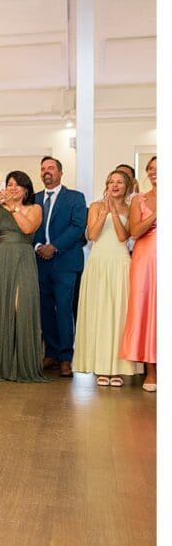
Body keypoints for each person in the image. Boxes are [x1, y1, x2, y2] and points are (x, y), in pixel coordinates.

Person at [72, 170, 139, 386]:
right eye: (111, 182)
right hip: (98, 262)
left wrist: (115, 214)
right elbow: (92, 235)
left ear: (127, 186)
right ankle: (101, 366)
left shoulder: (130, 209)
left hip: (120, 262)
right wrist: (105, 212)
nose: (115, 185)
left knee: (119, 314)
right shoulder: (95, 206)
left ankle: (117, 368)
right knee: (99, 313)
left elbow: (122, 236)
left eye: (119, 182)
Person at [0, 171, 46, 382]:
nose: (13, 187)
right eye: (9, 184)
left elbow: (28, 228)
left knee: (21, 307)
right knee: (0, 307)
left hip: (23, 257)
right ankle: (0, 365)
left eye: (17, 184)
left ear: (26, 189)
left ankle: (22, 364)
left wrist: (12, 207)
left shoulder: (35, 208)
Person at [34, 156, 88, 377]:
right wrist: (38, 245)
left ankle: (66, 357)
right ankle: (52, 354)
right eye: (43, 169)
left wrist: (54, 247)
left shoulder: (75, 198)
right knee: (45, 310)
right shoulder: (34, 198)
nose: (47, 172)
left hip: (65, 262)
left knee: (64, 310)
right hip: (40, 262)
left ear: (60, 172)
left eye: (51, 168)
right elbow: (28, 226)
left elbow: (77, 228)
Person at [120, 156, 157, 392]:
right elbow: (134, 231)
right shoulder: (139, 200)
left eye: (159, 168)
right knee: (147, 311)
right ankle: (151, 371)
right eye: (151, 169)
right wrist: (156, 214)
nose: (154, 172)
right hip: (145, 259)